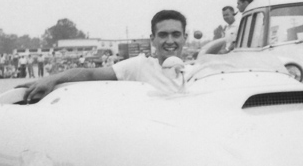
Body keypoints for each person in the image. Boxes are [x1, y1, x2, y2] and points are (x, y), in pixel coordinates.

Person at [23, 10, 189, 102]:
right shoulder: (139, 65)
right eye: (163, 35)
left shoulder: (196, 73)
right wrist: (53, 79)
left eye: (175, 34)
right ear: (152, 39)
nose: (170, 41)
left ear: (184, 38)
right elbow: (90, 73)